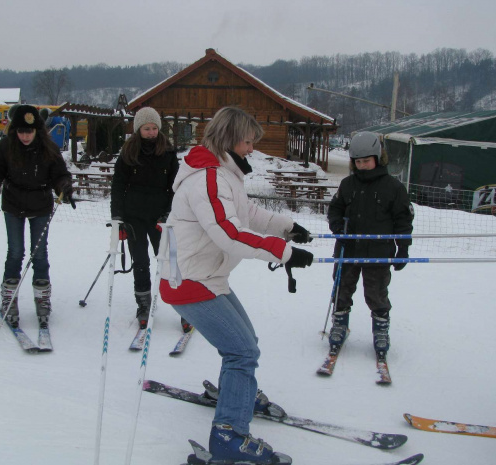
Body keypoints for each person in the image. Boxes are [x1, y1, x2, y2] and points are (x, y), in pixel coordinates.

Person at [159, 106, 313, 464]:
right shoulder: (207, 178)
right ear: (229, 140)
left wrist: (286, 227)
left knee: (246, 343)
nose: (251, 149)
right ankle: (229, 435)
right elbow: (229, 234)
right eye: (247, 142)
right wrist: (283, 252)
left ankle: (239, 393)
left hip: (207, 277)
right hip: (190, 282)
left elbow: (246, 216)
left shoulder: (225, 175)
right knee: (242, 351)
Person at [0, 105, 73, 329]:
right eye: (21, 131)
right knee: (15, 252)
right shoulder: (6, 146)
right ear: (14, 130)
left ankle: (42, 299)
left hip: (40, 204)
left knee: (39, 253)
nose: (25, 136)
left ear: (37, 131)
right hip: (13, 204)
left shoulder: (48, 147)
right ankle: (9, 298)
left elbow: (59, 174)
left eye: (29, 132)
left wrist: (64, 186)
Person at [327, 131, 414, 357]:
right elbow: (335, 209)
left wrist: (403, 248)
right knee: (342, 288)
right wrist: (337, 227)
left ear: (377, 158)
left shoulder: (393, 188)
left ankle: (381, 330)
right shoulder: (347, 184)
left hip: (378, 251)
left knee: (376, 293)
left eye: (366, 160)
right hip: (349, 249)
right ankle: (340, 323)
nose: (362, 165)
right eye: (358, 161)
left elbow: (403, 219)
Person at [110, 107, 187, 331]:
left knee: (169, 263)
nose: (151, 132)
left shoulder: (169, 153)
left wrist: (170, 212)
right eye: (147, 129)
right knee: (141, 263)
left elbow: (177, 187)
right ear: (138, 130)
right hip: (133, 217)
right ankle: (143, 304)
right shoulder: (128, 153)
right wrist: (117, 216)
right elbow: (118, 186)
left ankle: (183, 307)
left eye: (154, 128)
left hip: (160, 218)